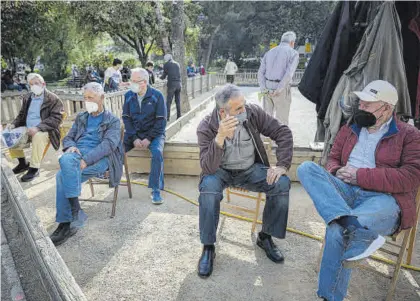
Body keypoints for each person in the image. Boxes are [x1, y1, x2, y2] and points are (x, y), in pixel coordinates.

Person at [297, 80, 420, 301]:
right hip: (344, 191)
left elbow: (411, 177)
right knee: (307, 169)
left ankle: (329, 296)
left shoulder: (409, 135)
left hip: (382, 199)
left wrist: (360, 175)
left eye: (367, 105)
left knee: (336, 231)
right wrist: (337, 170)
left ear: (387, 108)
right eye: (361, 103)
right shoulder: (350, 127)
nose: (360, 109)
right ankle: (349, 221)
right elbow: (333, 158)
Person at [196, 84, 293, 278]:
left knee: (281, 183)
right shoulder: (206, 127)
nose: (244, 110)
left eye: (244, 105)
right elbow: (208, 168)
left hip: (250, 170)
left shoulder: (253, 113)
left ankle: (265, 237)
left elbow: (283, 132)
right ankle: (208, 247)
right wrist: (220, 137)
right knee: (208, 190)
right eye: (238, 108)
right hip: (220, 172)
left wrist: (282, 165)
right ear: (223, 112)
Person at [50, 82, 123, 246]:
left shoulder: (112, 121)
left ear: (102, 98)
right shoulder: (82, 117)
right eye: (85, 98)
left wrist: (86, 160)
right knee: (66, 162)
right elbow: (68, 138)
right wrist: (71, 146)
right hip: (77, 155)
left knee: (62, 174)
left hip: (100, 158)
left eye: (91, 97)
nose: (87, 100)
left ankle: (65, 222)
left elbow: (108, 146)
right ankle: (73, 215)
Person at [6, 73, 64, 182]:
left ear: (43, 84)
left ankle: (34, 168)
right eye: (31, 84)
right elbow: (22, 115)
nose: (34, 86)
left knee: (38, 136)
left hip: (46, 130)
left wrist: (38, 127)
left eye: (36, 83)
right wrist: (13, 124)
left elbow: (57, 118)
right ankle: (22, 163)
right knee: (10, 134)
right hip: (27, 128)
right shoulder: (28, 97)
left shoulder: (53, 98)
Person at [123, 68, 167, 204]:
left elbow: (161, 120)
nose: (132, 84)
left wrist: (148, 138)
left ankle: (156, 190)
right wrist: (134, 137)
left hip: (154, 134)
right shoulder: (129, 95)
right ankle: (110, 174)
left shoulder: (157, 96)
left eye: (136, 81)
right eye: (132, 81)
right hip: (134, 133)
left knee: (157, 153)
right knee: (117, 148)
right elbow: (126, 118)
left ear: (145, 82)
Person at [258, 31, 299, 125]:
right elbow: (289, 74)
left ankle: (266, 138)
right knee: (282, 119)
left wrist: (263, 88)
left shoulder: (269, 52)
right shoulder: (293, 53)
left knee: (267, 117)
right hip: (282, 89)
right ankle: (280, 139)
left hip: (267, 87)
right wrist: (279, 89)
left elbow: (260, 72)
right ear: (292, 42)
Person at [160, 54, 182, 121]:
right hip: (178, 84)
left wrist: (159, 78)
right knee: (177, 101)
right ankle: (179, 116)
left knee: (168, 102)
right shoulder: (177, 64)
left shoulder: (166, 64)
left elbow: (164, 76)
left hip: (172, 85)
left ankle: (167, 117)